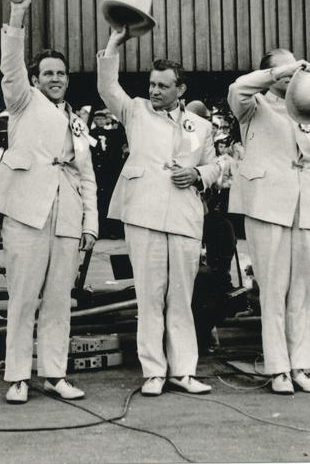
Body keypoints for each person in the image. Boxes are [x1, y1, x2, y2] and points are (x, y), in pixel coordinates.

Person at [0, 0, 98, 405]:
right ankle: (16, 375)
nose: (56, 78)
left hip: (66, 215)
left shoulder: (77, 120)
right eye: (47, 73)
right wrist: (17, 16)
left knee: (58, 300)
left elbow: (87, 176)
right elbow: (10, 66)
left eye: (61, 73)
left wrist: (90, 224)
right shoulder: (23, 100)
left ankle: (54, 374)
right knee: (24, 296)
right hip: (26, 211)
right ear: (34, 78)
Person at [97, 29, 220, 396]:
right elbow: (108, 87)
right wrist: (114, 46)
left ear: (180, 90)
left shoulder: (201, 126)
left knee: (181, 296)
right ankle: (153, 371)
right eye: (152, 84)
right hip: (144, 213)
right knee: (150, 295)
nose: (154, 91)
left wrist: (197, 173)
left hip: (184, 216)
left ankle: (183, 371)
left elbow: (216, 167)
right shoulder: (134, 111)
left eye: (163, 86)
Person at [227, 50, 310, 394]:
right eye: (282, 70)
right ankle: (278, 368)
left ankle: (301, 366)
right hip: (267, 205)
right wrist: (286, 70)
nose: (291, 76)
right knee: (274, 290)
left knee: (305, 292)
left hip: (305, 206)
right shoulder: (253, 106)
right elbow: (239, 88)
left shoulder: (309, 109)